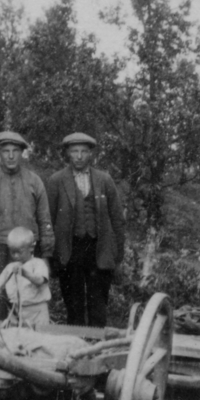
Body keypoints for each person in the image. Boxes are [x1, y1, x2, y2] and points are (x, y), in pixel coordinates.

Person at [46, 132, 125, 327]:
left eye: (83, 151)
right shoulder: (57, 180)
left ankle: (97, 346)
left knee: (98, 301)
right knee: (73, 302)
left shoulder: (104, 180)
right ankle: (76, 346)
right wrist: (48, 255)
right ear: (68, 154)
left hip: (98, 248)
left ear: (91, 154)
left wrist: (118, 256)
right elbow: (48, 218)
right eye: (74, 151)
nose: (79, 156)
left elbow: (117, 219)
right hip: (70, 250)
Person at [0, 131, 55, 296]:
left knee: (29, 295)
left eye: (15, 151)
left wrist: (46, 256)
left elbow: (45, 220)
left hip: (29, 248)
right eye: (6, 151)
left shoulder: (34, 181)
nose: (11, 156)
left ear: (22, 153)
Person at [0, 227, 52, 329]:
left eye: (19, 252)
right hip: (17, 313)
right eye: (13, 252)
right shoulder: (10, 268)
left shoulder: (38, 264)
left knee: (40, 338)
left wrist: (25, 273)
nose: (16, 256)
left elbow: (40, 280)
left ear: (31, 248)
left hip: (37, 312)